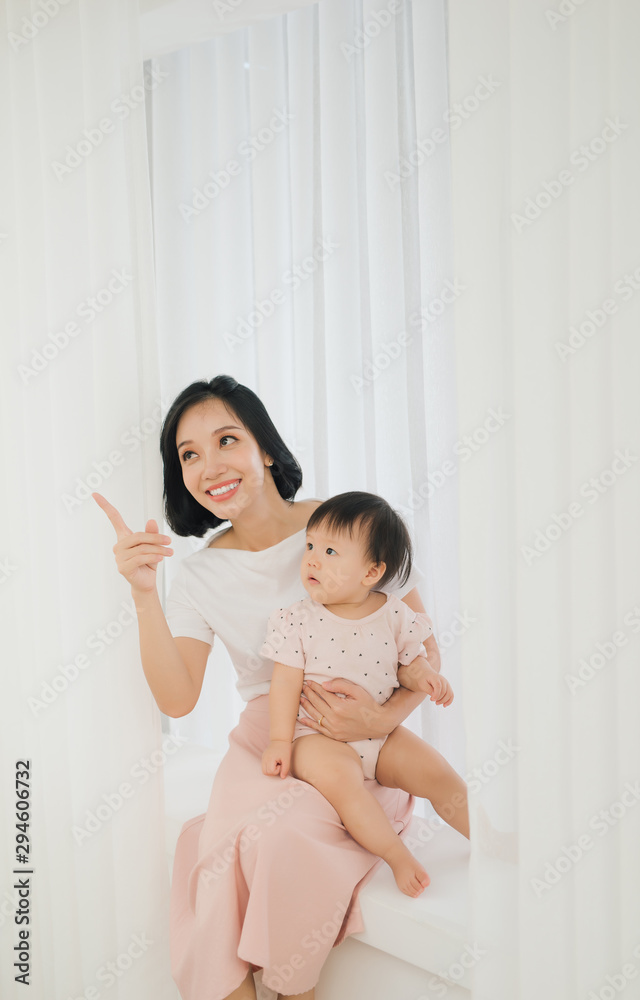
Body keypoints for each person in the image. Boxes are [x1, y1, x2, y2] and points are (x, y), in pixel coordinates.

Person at [93, 374, 470, 1000]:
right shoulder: (198, 574)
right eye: (189, 455)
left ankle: (294, 988)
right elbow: (178, 699)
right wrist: (142, 597)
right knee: (219, 852)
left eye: (226, 440)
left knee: (280, 840)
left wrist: (378, 723)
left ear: (264, 447)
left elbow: (423, 650)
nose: (209, 465)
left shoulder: (347, 526)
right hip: (269, 740)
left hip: (358, 741)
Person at [261, 491, 456, 898]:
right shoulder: (297, 619)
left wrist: (426, 679)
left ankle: (491, 838)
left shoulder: (394, 613)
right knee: (343, 784)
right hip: (317, 736)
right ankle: (397, 856)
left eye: (330, 551)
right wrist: (280, 740)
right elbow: (285, 682)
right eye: (311, 545)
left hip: (379, 736)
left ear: (371, 573)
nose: (312, 559)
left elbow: (409, 663)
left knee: (440, 775)